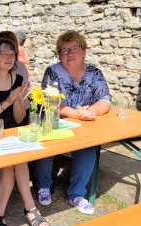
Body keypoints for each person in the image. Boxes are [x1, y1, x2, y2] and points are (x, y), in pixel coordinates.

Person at [0, 39, 50, 226]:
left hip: (11, 135)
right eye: (5, 54)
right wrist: (8, 100)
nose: (10, 58)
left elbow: (19, 118)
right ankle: (29, 209)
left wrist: (17, 103)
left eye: (12, 55)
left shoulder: (18, 80)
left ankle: (4, 213)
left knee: (15, 160)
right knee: (14, 160)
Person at [32, 30, 111, 215]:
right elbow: (51, 102)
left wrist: (91, 111)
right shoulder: (53, 71)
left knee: (88, 150)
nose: (70, 53)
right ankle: (44, 187)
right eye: (64, 50)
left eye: (74, 48)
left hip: (83, 124)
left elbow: (105, 100)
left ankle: (76, 194)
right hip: (56, 121)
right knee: (45, 148)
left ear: (83, 51)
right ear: (59, 54)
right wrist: (76, 114)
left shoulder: (94, 73)